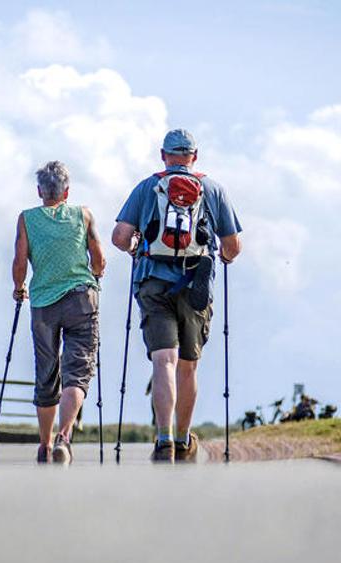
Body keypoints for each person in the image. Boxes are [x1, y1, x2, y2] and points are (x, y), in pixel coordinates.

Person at [112, 129, 242, 461]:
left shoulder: (147, 187)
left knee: (163, 360)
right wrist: (223, 258)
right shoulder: (212, 189)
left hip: (153, 282)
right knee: (187, 366)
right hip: (196, 286)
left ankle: (163, 438)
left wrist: (134, 250)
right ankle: (184, 439)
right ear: (194, 156)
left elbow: (119, 236)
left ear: (163, 155)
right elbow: (232, 246)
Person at [12, 161, 105, 463]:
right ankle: (64, 436)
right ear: (67, 191)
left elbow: (20, 260)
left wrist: (18, 288)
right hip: (81, 299)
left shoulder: (26, 219)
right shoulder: (83, 215)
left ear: (40, 191)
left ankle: (44, 444)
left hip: (43, 304)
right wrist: (96, 273)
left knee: (47, 374)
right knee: (76, 373)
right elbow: (99, 257)